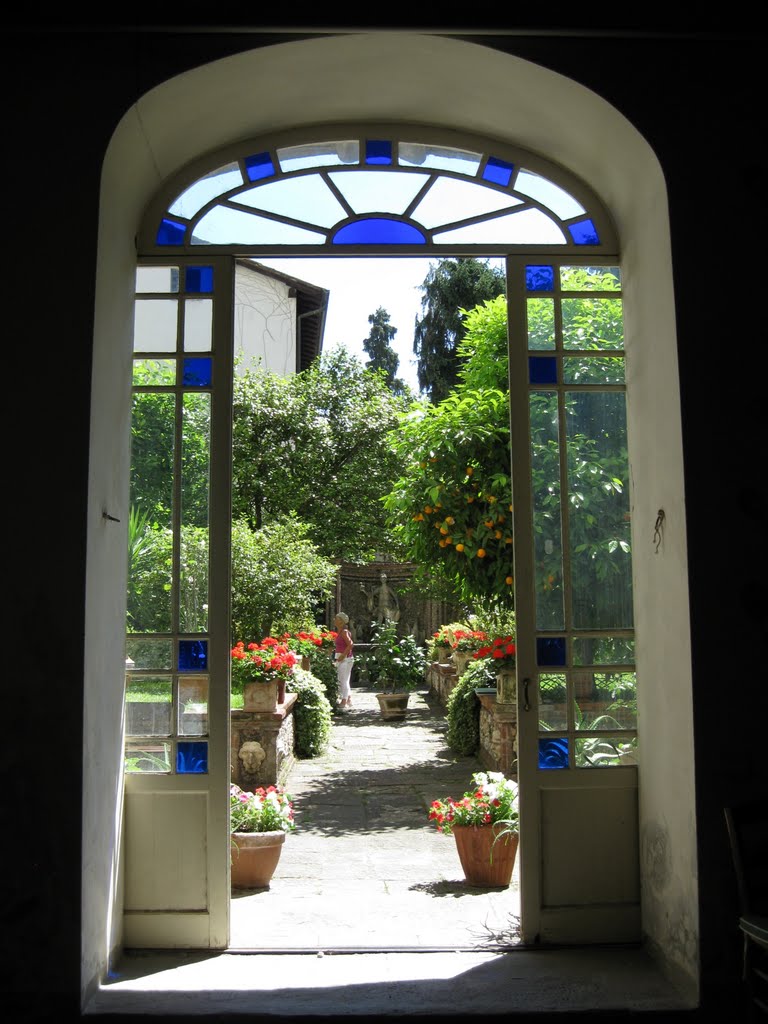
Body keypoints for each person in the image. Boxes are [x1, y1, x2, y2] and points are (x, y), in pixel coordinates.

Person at [333, 612, 355, 708]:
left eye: (336, 619)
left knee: (342, 680)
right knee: (344, 679)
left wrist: (343, 655)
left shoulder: (344, 632)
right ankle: (348, 699)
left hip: (345, 659)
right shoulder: (341, 631)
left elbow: (351, 644)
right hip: (342, 658)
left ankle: (344, 701)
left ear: (341, 621)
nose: (334, 620)